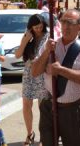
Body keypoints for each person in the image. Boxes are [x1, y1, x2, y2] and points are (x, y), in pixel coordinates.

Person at [32, 9, 80, 146]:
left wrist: (60, 70)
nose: (66, 26)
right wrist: (46, 52)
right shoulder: (50, 45)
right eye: (63, 22)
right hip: (49, 106)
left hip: (73, 109)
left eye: (70, 23)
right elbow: (35, 71)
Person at [15, 14, 49, 145]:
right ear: (31, 27)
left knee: (43, 106)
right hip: (29, 73)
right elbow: (18, 55)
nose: (39, 29)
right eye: (36, 27)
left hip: (42, 72)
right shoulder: (28, 36)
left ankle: (43, 135)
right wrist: (25, 41)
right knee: (26, 104)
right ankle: (29, 133)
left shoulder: (48, 36)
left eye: (41, 26)